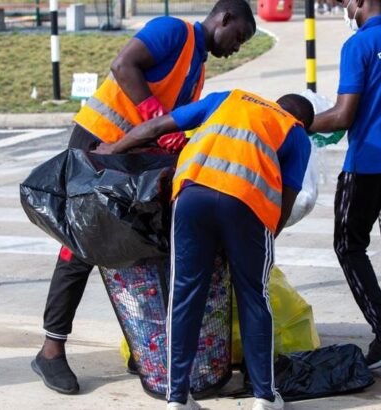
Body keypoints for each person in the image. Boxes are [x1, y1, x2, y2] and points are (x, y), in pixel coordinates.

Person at [31, 0, 256, 395]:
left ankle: (145, 350)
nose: (237, 47)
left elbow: (171, 124)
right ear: (223, 17)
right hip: (97, 144)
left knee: (137, 247)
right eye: (238, 36)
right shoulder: (173, 31)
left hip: (129, 158)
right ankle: (51, 350)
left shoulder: (197, 66)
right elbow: (123, 65)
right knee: (80, 247)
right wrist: (153, 117)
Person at [94, 89, 314, 410]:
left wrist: (112, 148)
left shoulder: (230, 98)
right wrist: (262, 246)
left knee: (183, 294)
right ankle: (264, 397)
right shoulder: (295, 133)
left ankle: (177, 398)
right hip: (246, 204)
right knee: (254, 295)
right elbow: (287, 198)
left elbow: (156, 127)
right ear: (302, 121)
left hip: (191, 195)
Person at [308, 0, 381, 374]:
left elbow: (343, 114)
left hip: (369, 163)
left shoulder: (358, 45)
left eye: (345, 2)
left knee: (347, 243)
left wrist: (296, 122)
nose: (344, 8)